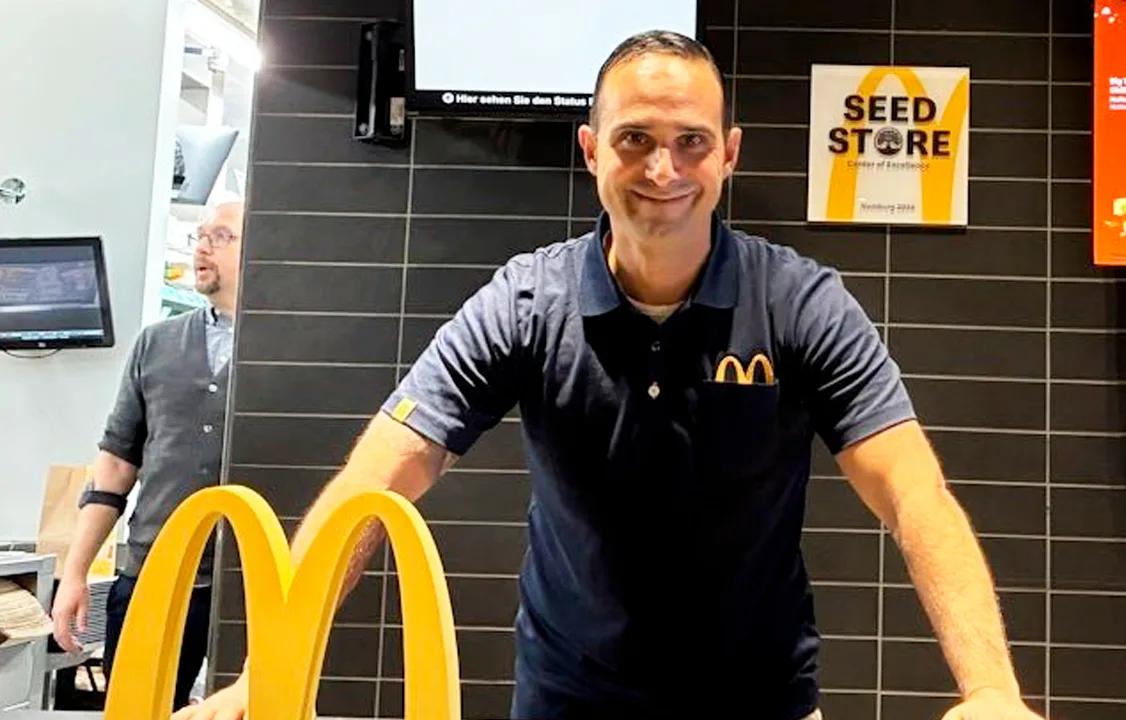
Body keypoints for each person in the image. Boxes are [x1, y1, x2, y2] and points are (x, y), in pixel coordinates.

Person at [181, 31, 1044, 720]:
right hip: (570, 696)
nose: (663, 170)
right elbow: (378, 479)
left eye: (690, 143)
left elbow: (914, 495)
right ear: (593, 149)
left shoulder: (800, 303)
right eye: (635, 139)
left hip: (761, 700)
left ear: (729, 155)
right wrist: (274, 666)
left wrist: (992, 691)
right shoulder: (525, 303)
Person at [52, 199, 244, 712]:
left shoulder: (289, 349)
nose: (201, 247)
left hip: (251, 583)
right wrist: (75, 574)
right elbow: (114, 468)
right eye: (199, 236)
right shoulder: (155, 345)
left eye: (221, 237)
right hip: (152, 573)